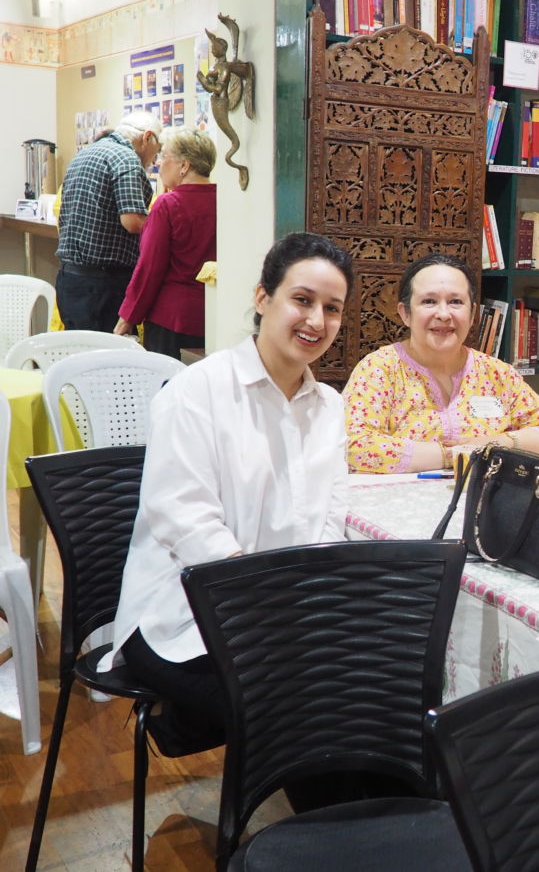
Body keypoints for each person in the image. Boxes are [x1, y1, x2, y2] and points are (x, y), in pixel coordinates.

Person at [101, 231, 354, 756]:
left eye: (332, 308)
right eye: (302, 300)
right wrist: (266, 607)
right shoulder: (197, 391)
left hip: (284, 618)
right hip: (183, 616)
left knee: (369, 694)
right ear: (263, 298)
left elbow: (330, 518)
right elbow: (185, 520)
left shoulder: (329, 406)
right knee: (306, 718)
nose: (316, 320)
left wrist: (310, 607)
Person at [344, 253, 539, 472]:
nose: (444, 314)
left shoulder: (497, 374)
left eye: (456, 302)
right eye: (429, 301)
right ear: (405, 313)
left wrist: (493, 444)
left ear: (472, 315)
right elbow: (353, 445)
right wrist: (451, 455)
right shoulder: (379, 369)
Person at [114, 127, 216, 360]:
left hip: (172, 319)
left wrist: (127, 317)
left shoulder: (168, 205)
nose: (159, 164)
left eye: (164, 156)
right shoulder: (225, 200)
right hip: (213, 316)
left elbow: (150, 268)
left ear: (184, 165)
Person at [55, 110, 161, 332]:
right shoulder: (126, 159)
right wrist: (163, 225)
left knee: (78, 348)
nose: (155, 159)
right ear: (147, 137)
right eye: (157, 150)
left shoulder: (86, 153)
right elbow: (133, 221)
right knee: (106, 351)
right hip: (102, 285)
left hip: (69, 277)